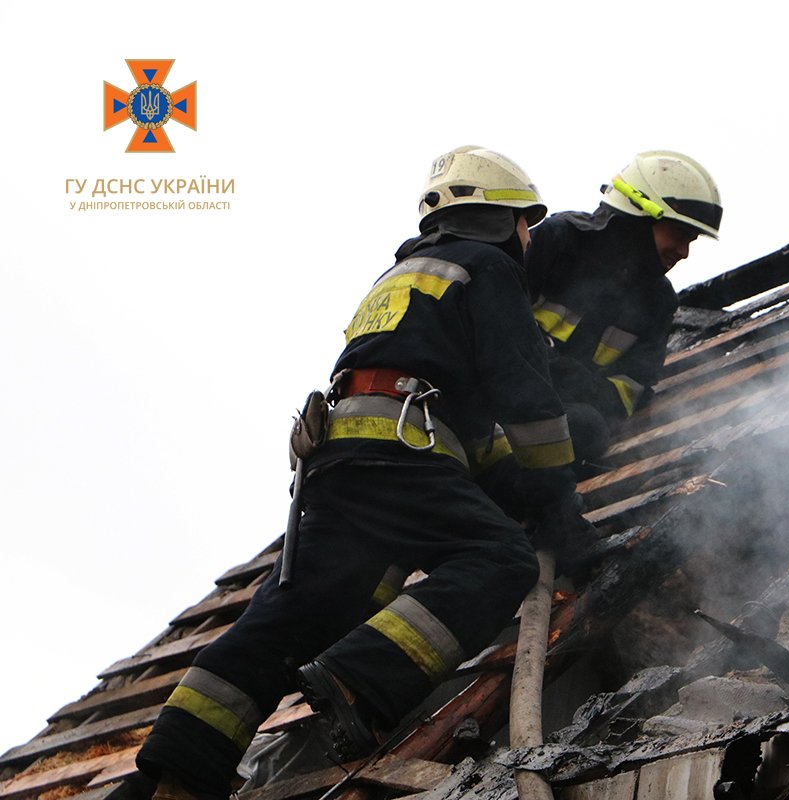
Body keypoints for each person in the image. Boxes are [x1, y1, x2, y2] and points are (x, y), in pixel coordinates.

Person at [134, 146, 591, 800]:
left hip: (339, 461)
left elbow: (452, 418)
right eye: (525, 221)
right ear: (495, 218)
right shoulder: (486, 266)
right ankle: (358, 677)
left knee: (296, 613)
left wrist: (496, 469)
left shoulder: (399, 277)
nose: (529, 237)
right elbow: (527, 404)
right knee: (500, 559)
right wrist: (558, 508)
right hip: (398, 453)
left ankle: (176, 771)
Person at [523, 150, 722, 464]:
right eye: (679, 235)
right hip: (498, 395)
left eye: (691, 241)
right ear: (639, 217)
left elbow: (631, 390)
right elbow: (493, 317)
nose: (683, 252)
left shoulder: (658, 303)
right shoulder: (559, 241)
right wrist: (550, 367)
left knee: (587, 429)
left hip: (559, 423)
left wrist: (581, 388)